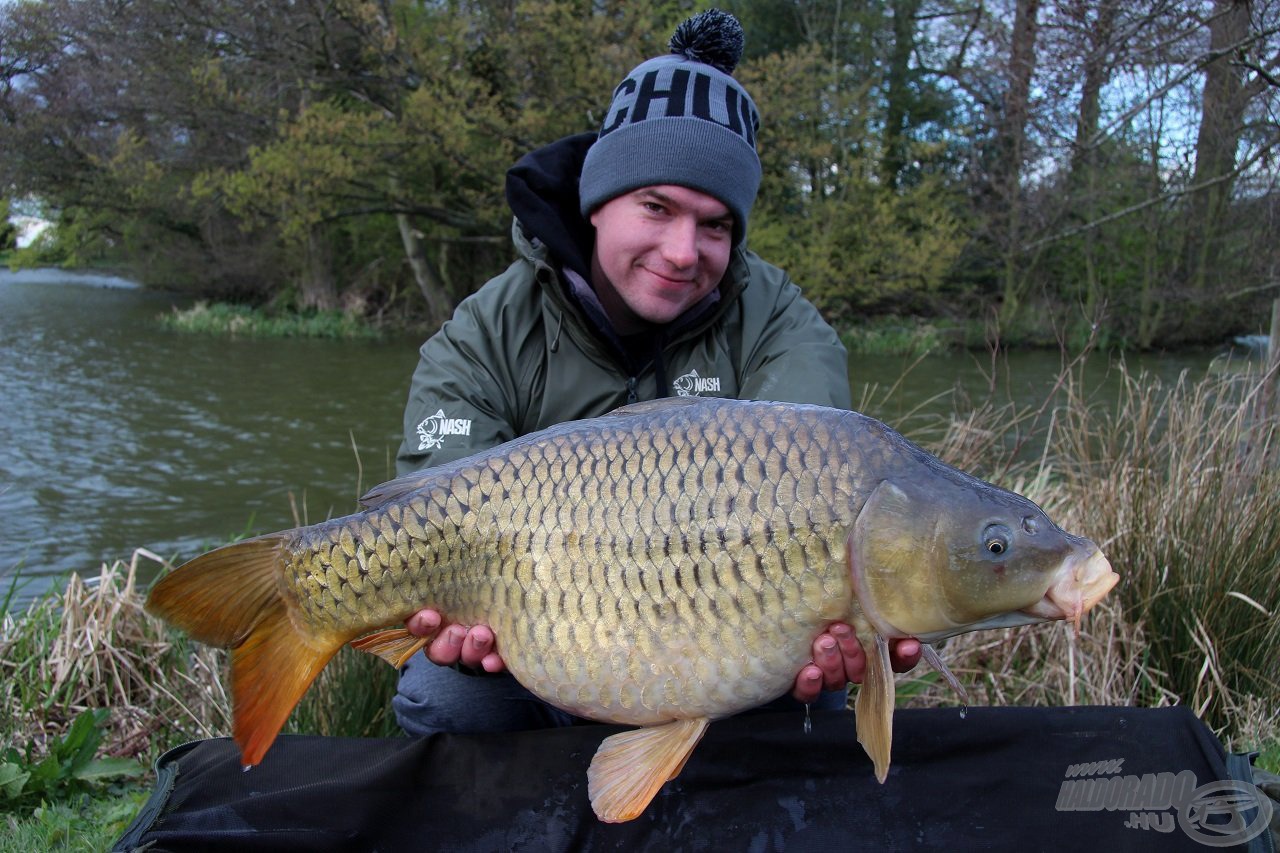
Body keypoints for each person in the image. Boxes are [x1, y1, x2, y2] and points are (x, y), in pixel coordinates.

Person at [391, 9, 920, 738]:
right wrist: (446, 614)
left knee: (818, 682)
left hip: (721, 640)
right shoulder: (486, 331)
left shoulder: (779, 322)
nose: (682, 250)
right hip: (537, 642)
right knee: (443, 693)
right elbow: (432, 501)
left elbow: (820, 490)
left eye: (715, 225)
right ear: (598, 202)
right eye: (656, 206)